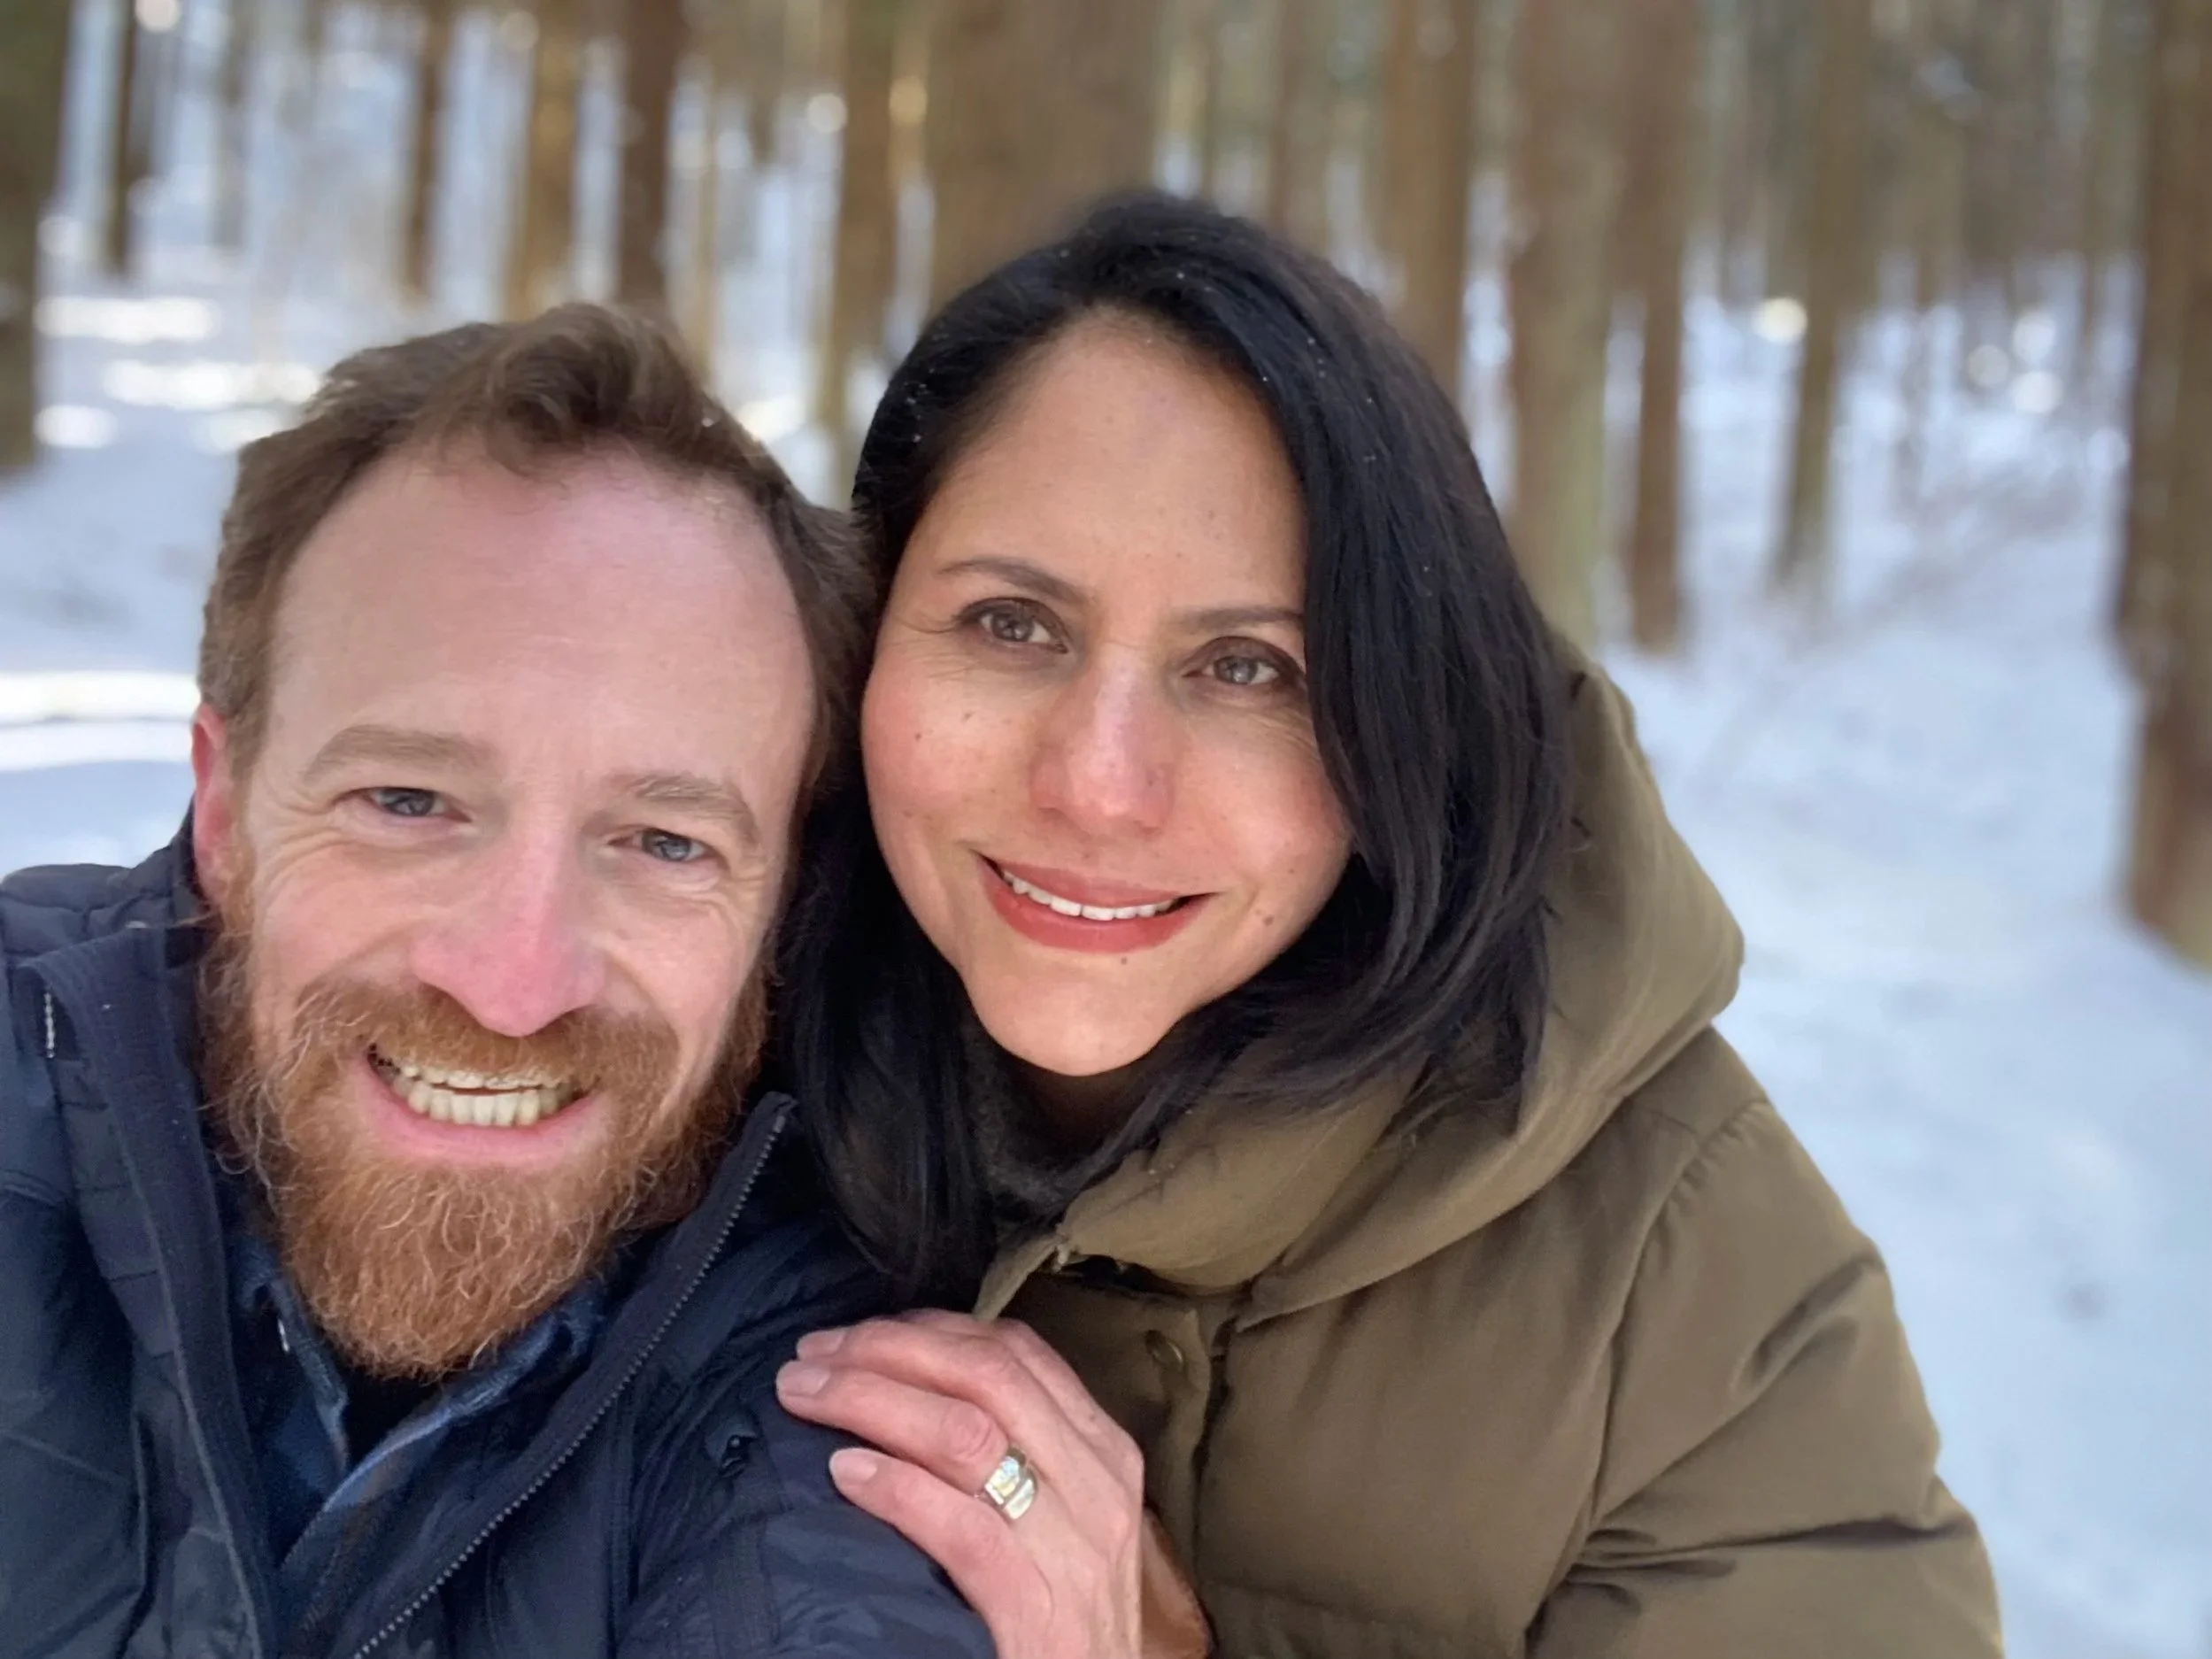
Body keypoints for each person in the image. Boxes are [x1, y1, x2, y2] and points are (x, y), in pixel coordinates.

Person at [773, 195, 2008, 1657]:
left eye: (1245, 666)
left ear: (1402, 717)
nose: (1098, 785)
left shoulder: (1691, 1303)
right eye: (1011, 624)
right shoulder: (678, 1058)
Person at [0, 308, 993, 1659]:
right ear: (223, 812)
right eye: (408, 799)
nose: (516, 984)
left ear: (779, 902)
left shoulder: (843, 1353)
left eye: (662, 841)